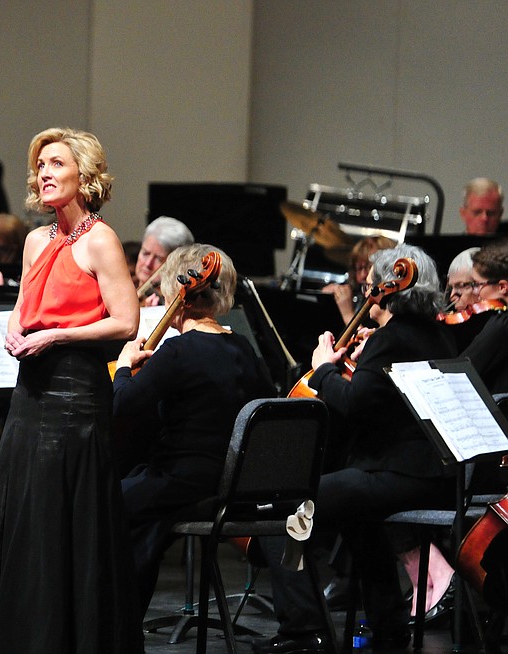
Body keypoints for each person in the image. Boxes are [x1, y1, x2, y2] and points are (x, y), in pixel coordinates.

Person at [0, 127, 143, 653]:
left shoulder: (100, 240)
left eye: (56, 164)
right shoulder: (35, 239)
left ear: (84, 176)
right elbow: (24, 306)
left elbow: (126, 322)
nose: (43, 173)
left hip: (75, 396)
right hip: (30, 393)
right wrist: (17, 329)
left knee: (63, 519)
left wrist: (57, 335)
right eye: (40, 164)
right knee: (21, 513)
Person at [253, 244, 457, 654]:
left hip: (396, 474)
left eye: (369, 287)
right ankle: (389, 623)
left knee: (284, 507)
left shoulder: (391, 339)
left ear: (384, 290)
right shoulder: (438, 334)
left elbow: (353, 407)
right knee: (358, 519)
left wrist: (325, 367)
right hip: (432, 473)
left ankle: (303, 629)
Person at [114, 244, 276, 617]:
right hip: (232, 484)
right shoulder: (243, 349)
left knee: (105, 501)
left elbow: (121, 405)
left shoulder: (177, 352)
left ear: (176, 292)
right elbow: (268, 407)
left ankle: (113, 622)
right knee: (144, 515)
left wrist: (124, 365)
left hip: (186, 482)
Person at [460, 239, 508, 394]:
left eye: (477, 284)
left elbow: (460, 371)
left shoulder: (503, 323)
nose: (474, 292)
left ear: (502, 287)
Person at [322, 235, 396, 324]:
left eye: (369, 267)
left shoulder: (391, 308)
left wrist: (348, 314)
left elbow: (372, 337)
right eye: (358, 268)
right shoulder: (359, 295)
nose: (362, 275)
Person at [134, 215, 194, 306]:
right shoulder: (123, 288)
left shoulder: (169, 305)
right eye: (145, 253)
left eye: (158, 258)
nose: (148, 264)